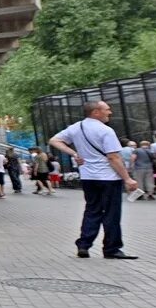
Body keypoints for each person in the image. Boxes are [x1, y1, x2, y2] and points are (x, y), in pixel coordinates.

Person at [50, 100, 139, 259]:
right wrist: (127, 178)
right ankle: (111, 248)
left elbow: (54, 140)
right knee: (111, 213)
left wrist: (74, 154)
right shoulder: (106, 131)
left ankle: (84, 244)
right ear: (96, 112)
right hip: (108, 177)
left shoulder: (77, 127)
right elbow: (113, 157)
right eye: (107, 109)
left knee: (92, 210)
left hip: (88, 177)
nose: (109, 112)